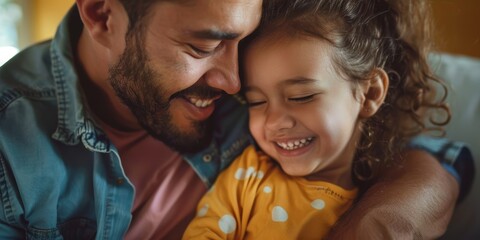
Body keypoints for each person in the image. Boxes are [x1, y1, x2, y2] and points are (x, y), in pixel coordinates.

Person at [0, 0, 470, 239]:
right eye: (202, 47)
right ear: (102, 13)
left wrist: (377, 222)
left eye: (241, 42)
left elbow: (422, 152)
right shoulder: (11, 150)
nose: (232, 85)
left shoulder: (261, 81)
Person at [182, 0, 457, 239]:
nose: (275, 121)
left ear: (370, 93)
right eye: (256, 102)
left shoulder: (379, 196)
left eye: (302, 96)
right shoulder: (248, 175)